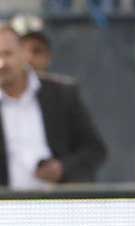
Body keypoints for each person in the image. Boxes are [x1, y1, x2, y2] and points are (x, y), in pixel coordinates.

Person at [0, 24, 107, 189]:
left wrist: (62, 168)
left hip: (59, 205)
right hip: (6, 209)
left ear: (23, 53)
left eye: (7, 54)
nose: (2, 63)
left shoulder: (62, 94)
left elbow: (94, 150)